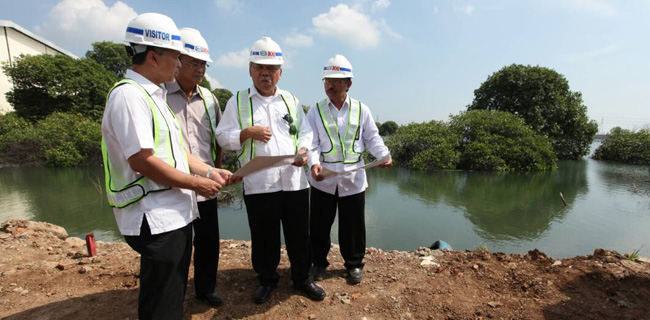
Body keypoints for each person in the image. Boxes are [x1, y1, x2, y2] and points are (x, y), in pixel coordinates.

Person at [101, 13, 232, 320]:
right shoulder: (130, 97)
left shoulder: (154, 96)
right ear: (153, 56)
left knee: (171, 292)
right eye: (176, 56)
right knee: (161, 299)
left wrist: (210, 172)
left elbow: (178, 153)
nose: (179, 64)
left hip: (172, 213)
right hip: (153, 215)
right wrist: (196, 184)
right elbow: (143, 161)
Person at [215, 37, 326, 304]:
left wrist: (303, 152)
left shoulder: (291, 99)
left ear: (280, 72)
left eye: (272, 68)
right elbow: (221, 136)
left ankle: (301, 279)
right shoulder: (238, 101)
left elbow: (306, 133)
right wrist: (244, 133)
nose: (266, 73)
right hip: (259, 182)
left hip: (294, 182)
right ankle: (267, 280)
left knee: (299, 235)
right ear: (250, 69)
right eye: (260, 67)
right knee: (264, 236)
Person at [307, 54, 392, 285]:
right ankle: (318, 264)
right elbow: (311, 142)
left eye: (336, 81)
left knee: (353, 226)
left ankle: (354, 265)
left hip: (353, 178)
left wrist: (384, 155)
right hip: (323, 178)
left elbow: (372, 138)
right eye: (327, 81)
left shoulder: (361, 109)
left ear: (349, 84)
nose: (330, 86)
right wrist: (313, 163)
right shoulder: (315, 111)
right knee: (319, 225)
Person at [166, 27, 227, 307]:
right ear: (178, 60)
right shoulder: (159, 97)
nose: (200, 69)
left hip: (206, 187)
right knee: (175, 248)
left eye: (204, 64)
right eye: (195, 62)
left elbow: (218, 140)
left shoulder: (211, 100)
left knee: (208, 243)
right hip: (172, 186)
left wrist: (216, 168)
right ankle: (173, 297)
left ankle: (205, 289)